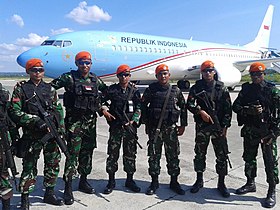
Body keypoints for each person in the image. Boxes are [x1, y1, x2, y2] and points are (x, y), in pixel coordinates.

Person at [50, 51, 107, 205]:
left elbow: (107, 93)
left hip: (90, 125)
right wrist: (55, 110)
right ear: (76, 64)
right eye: (81, 62)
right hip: (74, 124)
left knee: (87, 153)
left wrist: (102, 107)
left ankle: (83, 180)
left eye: (87, 62)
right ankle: (68, 186)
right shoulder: (69, 78)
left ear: (91, 64)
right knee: (72, 155)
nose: (84, 65)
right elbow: (48, 90)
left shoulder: (95, 79)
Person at [9, 58, 65, 209]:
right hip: (32, 135)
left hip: (51, 134)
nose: (38, 73)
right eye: (34, 70)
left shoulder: (50, 89)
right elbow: (15, 111)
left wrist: (59, 127)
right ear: (28, 71)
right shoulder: (21, 89)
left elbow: (58, 109)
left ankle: (49, 193)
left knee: (53, 163)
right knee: (29, 165)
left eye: (40, 70)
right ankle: (25, 198)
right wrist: (35, 121)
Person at [233, 62, 280, 208]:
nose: (256, 77)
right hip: (250, 130)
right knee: (249, 158)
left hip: (267, 132)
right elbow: (235, 106)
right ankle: (250, 183)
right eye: (253, 74)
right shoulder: (246, 89)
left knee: (270, 162)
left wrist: (275, 133)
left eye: (259, 74)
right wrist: (248, 110)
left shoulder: (272, 91)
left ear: (264, 74)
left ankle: (272, 190)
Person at [186, 60, 232, 198]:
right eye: (205, 71)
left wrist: (225, 127)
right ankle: (199, 180)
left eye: (210, 70)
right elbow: (189, 103)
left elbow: (228, 109)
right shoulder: (196, 87)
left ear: (214, 72)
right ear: (202, 73)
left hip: (218, 127)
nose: (208, 73)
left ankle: (221, 183)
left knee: (222, 155)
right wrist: (200, 112)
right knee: (199, 154)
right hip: (202, 126)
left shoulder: (221, 88)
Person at [141, 64, 186, 195]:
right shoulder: (151, 89)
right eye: (160, 74)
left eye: (165, 73)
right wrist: (146, 124)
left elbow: (183, 108)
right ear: (156, 76)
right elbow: (143, 106)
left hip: (171, 130)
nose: (163, 76)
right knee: (154, 156)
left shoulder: (176, 91)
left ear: (169, 75)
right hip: (155, 130)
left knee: (173, 156)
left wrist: (183, 125)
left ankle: (174, 182)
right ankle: (154, 182)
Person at [102, 64, 141, 194]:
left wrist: (134, 119)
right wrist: (105, 112)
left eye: (127, 75)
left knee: (130, 154)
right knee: (113, 154)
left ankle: (129, 180)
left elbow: (139, 107)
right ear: (118, 76)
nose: (124, 77)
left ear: (130, 76)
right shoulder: (112, 90)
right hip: (116, 127)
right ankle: (111, 181)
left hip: (130, 128)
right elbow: (99, 101)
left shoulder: (134, 91)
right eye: (121, 75)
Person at [0, 83, 14, 210]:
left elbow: (9, 115)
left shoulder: (3, 93)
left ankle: (6, 205)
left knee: (4, 170)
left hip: (2, 137)